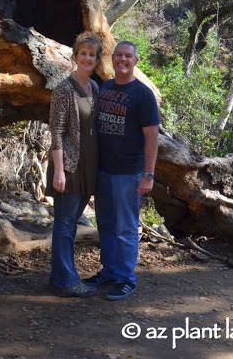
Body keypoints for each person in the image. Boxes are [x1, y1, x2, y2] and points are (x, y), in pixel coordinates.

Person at [86, 40, 160, 301]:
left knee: (125, 227)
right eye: (118, 55)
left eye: (128, 56)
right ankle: (109, 271)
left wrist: (148, 174)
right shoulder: (105, 87)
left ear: (135, 61)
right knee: (105, 224)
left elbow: (152, 137)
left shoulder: (142, 94)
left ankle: (126, 279)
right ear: (112, 59)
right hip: (104, 171)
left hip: (128, 173)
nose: (122, 60)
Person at [46, 31, 103, 297]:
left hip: (87, 167)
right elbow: (56, 132)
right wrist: (58, 171)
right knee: (65, 224)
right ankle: (65, 281)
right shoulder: (64, 89)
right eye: (84, 53)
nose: (88, 58)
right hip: (68, 167)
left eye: (92, 54)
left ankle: (60, 275)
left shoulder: (95, 88)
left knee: (70, 223)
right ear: (75, 56)